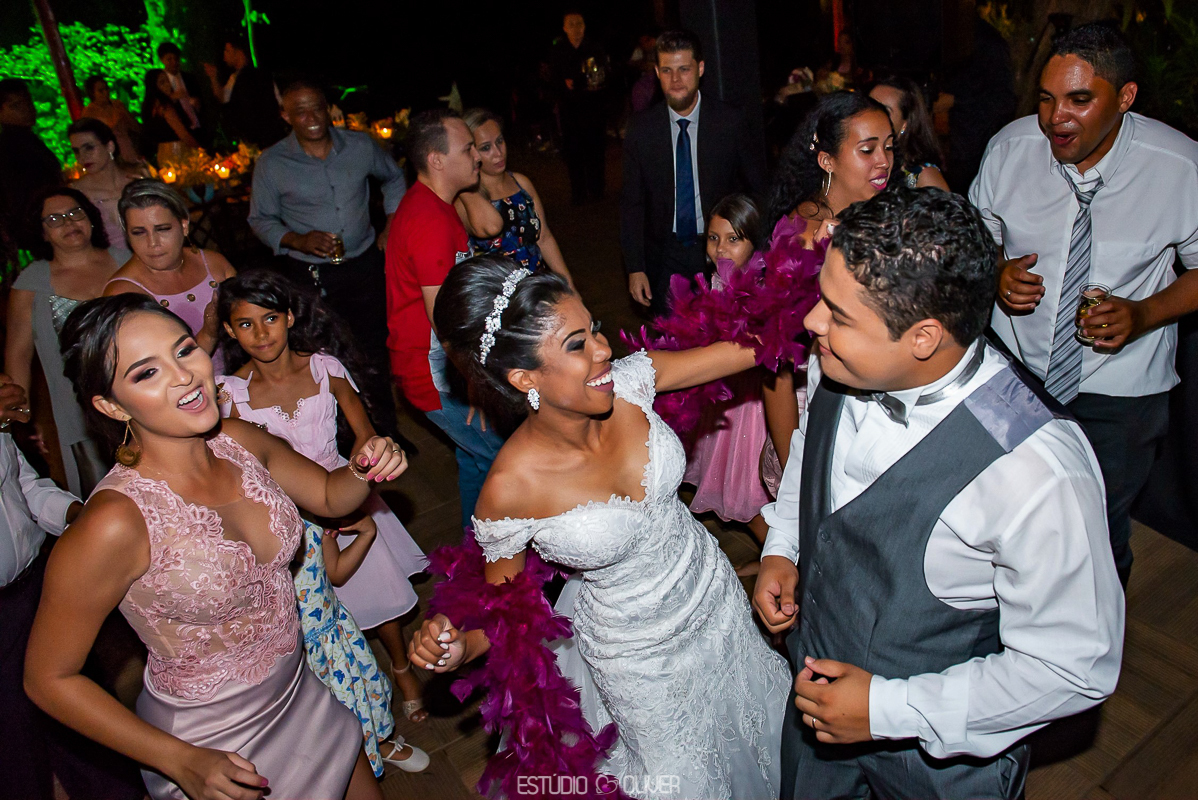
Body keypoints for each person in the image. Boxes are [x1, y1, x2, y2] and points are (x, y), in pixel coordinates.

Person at [754, 187, 1124, 800]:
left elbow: (1073, 666)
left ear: (923, 338)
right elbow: (811, 460)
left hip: (938, 762)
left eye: (838, 315)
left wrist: (887, 710)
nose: (812, 322)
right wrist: (783, 546)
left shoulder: (1037, 470)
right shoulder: (839, 358)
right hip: (813, 707)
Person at [410, 254, 789, 800]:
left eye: (594, 329)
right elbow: (507, 616)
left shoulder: (632, 382)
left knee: (757, 726)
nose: (603, 349)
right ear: (524, 378)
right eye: (576, 344)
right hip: (641, 662)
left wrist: (813, 289)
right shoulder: (512, 488)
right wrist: (457, 648)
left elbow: (755, 345)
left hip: (716, 598)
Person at [25, 293, 406, 799]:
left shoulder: (239, 441)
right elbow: (48, 678)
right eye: (147, 373)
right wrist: (179, 760)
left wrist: (365, 466)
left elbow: (330, 496)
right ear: (111, 406)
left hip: (304, 692)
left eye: (184, 350)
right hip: (213, 744)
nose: (183, 376)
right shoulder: (113, 522)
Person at [970, 22, 1198, 587]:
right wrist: (996, 273)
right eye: (1047, 99)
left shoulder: (1179, 166)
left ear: (1125, 97)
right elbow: (973, 237)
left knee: (1096, 530)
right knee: (1001, 515)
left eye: (1078, 99)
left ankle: (1093, 637)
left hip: (1122, 389)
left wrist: (1144, 315)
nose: (1055, 118)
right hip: (1012, 376)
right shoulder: (1010, 149)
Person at [215, 270, 429, 723]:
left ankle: (401, 666)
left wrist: (366, 465)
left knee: (377, 586)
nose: (261, 333)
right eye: (246, 324)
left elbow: (364, 431)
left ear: (290, 318)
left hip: (342, 487)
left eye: (270, 318)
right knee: (319, 608)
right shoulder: (230, 394)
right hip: (285, 509)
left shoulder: (324, 368)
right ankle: (346, 687)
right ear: (230, 331)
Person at [248, 79, 406, 439]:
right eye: (300, 111)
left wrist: (392, 224)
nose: (312, 117)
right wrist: (297, 239)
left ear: (328, 108)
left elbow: (394, 177)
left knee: (375, 349)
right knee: (327, 355)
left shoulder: (360, 146)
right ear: (286, 116)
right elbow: (260, 219)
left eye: (316, 107)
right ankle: (346, 438)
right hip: (311, 275)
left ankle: (387, 433)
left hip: (364, 264)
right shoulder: (272, 163)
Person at [760, 91, 895, 478]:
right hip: (822, 419)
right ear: (827, 160)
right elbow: (775, 366)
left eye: (889, 147)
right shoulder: (803, 238)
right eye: (867, 150)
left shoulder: (880, 214)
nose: (884, 161)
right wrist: (795, 470)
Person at [386, 109, 503, 528]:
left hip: (433, 365)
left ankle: (476, 551)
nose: (477, 156)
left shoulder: (436, 203)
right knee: (502, 460)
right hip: (433, 372)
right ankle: (501, 554)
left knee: (475, 459)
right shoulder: (428, 219)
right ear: (436, 160)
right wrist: (474, 383)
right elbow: (442, 317)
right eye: (468, 148)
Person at [621, 29, 767, 316]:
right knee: (671, 335)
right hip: (664, 254)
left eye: (684, 69)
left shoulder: (730, 122)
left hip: (720, 250)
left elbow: (759, 189)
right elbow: (632, 204)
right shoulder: (642, 129)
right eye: (667, 70)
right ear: (657, 73)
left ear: (700, 68)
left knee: (725, 330)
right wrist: (635, 267)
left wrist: (757, 251)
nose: (676, 80)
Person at [7, 187, 126, 497]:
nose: (69, 222)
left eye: (75, 213)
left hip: (142, 395)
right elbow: (18, 356)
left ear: (91, 218)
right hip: (81, 415)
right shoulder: (32, 283)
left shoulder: (126, 261)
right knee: (106, 497)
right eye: (54, 219)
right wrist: (22, 420)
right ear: (42, 232)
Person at [293, 512, 429, 776]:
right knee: (313, 718)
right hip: (289, 652)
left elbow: (336, 572)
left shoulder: (308, 520)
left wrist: (367, 533)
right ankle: (338, 768)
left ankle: (379, 743)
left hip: (330, 641)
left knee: (357, 694)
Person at [680, 195, 773, 541]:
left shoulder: (761, 287)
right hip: (725, 394)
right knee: (728, 475)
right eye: (713, 238)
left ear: (755, 241)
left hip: (753, 404)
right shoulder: (717, 279)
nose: (721, 248)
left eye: (734, 239)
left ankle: (783, 559)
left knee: (750, 489)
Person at [103, 179, 236, 358]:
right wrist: (209, 335)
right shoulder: (122, 294)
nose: (152, 243)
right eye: (139, 232)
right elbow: (155, 367)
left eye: (162, 229)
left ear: (184, 226)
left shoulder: (215, 264)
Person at [457, 108, 572, 280]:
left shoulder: (521, 183)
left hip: (535, 285)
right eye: (486, 148)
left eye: (500, 141)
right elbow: (487, 228)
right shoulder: (466, 197)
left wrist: (567, 285)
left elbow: (544, 238)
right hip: (495, 290)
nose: (498, 153)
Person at [939, 1, 1016, 192]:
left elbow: (1004, 101)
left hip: (973, 155)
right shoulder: (939, 35)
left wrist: (955, 101)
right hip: (946, 152)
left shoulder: (989, 43)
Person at [548, 10, 610, 205]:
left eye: (579, 24)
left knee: (595, 149)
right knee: (573, 151)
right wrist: (564, 84)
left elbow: (602, 75)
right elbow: (553, 80)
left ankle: (597, 189)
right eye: (571, 24)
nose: (576, 28)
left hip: (593, 107)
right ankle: (578, 192)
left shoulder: (594, 48)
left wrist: (581, 81)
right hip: (570, 109)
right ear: (564, 28)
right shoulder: (559, 51)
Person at [0, 79, 62, 255]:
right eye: (16, 106)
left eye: (29, 102)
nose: (27, 109)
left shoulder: (27, 140)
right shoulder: (10, 148)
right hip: (39, 228)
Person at [68, 118, 147, 249]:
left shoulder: (137, 180)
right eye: (76, 151)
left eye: (89, 148)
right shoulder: (77, 193)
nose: (82, 157)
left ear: (110, 146)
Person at [868, 75, 949, 190]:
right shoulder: (857, 163)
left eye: (884, 111)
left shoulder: (921, 175)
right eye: (868, 107)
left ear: (905, 124)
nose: (872, 117)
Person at [203, 37, 283, 148]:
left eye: (228, 51)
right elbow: (223, 98)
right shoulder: (235, 78)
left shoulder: (254, 76)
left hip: (262, 137)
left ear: (239, 52)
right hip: (258, 139)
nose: (224, 56)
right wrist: (213, 77)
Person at [138, 69, 200, 164]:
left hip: (162, 154)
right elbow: (182, 134)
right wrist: (199, 150)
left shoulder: (150, 107)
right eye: (162, 82)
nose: (167, 85)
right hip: (177, 153)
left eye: (168, 81)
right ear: (154, 86)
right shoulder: (165, 107)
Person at [80, 76, 142, 164]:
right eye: (101, 91)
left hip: (127, 148)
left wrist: (125, 114)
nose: (105, 93)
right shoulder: (89, 113)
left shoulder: (117, 105)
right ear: (92, 93)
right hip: (109, 154)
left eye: (107, 89)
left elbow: (135, 127)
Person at [156, 42, 204, 143]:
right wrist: (172, 97)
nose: (174, 62)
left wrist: (197, 104)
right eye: (169, 59)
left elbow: (200, 99)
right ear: (162, 60)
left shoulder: (189, 78)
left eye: (176, 58)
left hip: (198, 127)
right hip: (179, 133)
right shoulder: (161, 82)